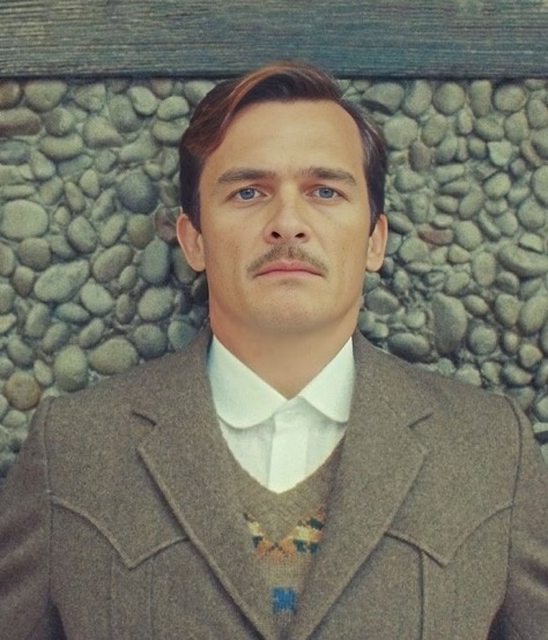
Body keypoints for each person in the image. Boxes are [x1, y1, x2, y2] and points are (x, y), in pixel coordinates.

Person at [0, 61, 547, 640]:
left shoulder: (490, 451)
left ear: (375, 240)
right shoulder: (73, 451)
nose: (288, 222)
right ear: (194, 240)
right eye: (249, 192)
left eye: (325, 191)